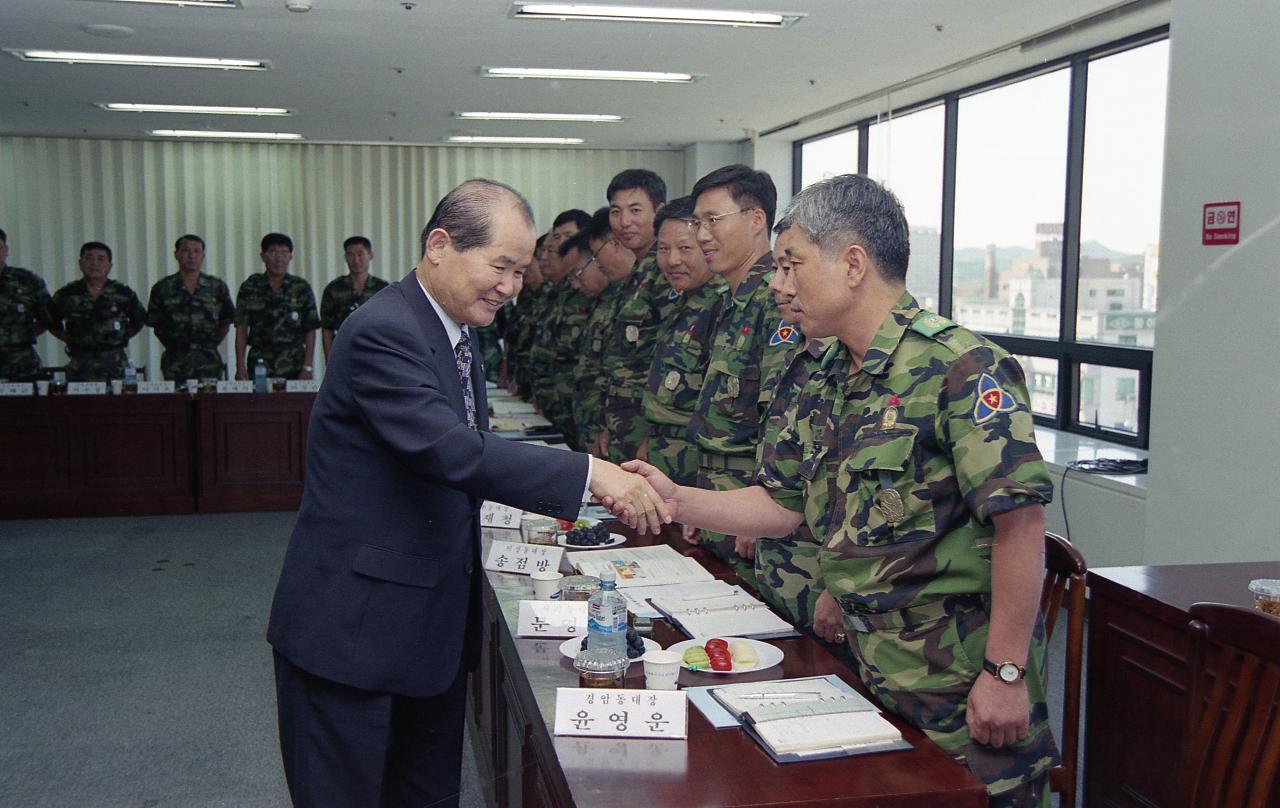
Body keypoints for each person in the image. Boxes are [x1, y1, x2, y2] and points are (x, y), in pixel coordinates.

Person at [624, 174, 1059, 808]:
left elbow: (1020, 526)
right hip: (864, 663)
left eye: (793, 264)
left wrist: (1006, 672)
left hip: (955, 678)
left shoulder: (961, 369)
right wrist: (673, 497)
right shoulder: (827, 369)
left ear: (853, 263)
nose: (781, 283)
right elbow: (783, 502)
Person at [266, 179, 669, 808]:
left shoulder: (455, 330)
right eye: (500, 266)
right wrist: (590, 474)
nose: (511, 285)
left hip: (426, 632)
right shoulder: (383, 329)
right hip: (354, 635)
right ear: (439, 245)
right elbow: (447, 450)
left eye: (520, 268)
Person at [683, 164, 795, 579]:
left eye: (713, 220)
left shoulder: (775, 301)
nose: (701, 235)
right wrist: (700, 500)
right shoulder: (727, 302)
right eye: (697, 223)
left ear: (756, 220)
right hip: (722, 506)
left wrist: (756, 511)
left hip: (754, 519)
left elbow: (781, 418)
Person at [640, 197, 722, 485]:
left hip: (697, 472)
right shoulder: (682, 303)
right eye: (663, 249)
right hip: (665, 461)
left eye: (685, 248)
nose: (672, 260)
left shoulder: (722, 307)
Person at [600, 169, 679, 464]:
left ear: (659, 212)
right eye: (616, 212)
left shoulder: (667, 270)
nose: (624, 222)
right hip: (624, 418)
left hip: (648, 426)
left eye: (635, 210)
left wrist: (652, 434)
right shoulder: (639, 270)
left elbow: (670, 358)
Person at [47, 241, 146, 381]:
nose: (94, 263)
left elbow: (139, 320)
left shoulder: (123, 293)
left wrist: (120, 337)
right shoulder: (67, 294)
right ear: (80, 263)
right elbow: (51, 322)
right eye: (88, 258)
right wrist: (72, 339)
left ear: (110, 266)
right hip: (80, 364)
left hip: (115, 364)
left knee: (118, 402)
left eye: (101, 258)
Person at [146, 234, 235, 381]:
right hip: (175, 360)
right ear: (176, 254)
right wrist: (177, 346)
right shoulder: (163, 288)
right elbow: (157, 325)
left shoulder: (216, 286)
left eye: (196, 251)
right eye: (186, 251)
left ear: (203, 256)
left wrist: (208, 345)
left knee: (209, 402)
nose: (191, 256)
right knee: (176, 402)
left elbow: (225, 322)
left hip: (208, 359)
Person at [234, 233, 320, 380]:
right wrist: (240, 367)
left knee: (295, 403)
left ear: (290, 257)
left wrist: (307, 366)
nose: (279, 258)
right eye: (273, 252)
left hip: (294, 363)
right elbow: (241, 329)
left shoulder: (301, 287)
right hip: (259, 363)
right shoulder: (250, 287)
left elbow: (311, 330)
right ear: (263, 256)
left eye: (284, 253)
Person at [320, 236, 388, 360]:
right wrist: (330, 361)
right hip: (343, 354)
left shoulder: (382, 288)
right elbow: (327, 330)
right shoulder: (334, 289)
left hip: (375, 354)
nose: (356, 260)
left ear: (370, 255)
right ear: (345, 257)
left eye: (360, 254)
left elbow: (389, 328)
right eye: (350, 255)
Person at [0, 227, 53, 382]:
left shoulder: (27, 280)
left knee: (24, 406)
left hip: (21, 364)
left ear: (6, 250)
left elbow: (48, 318)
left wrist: (20, 336)